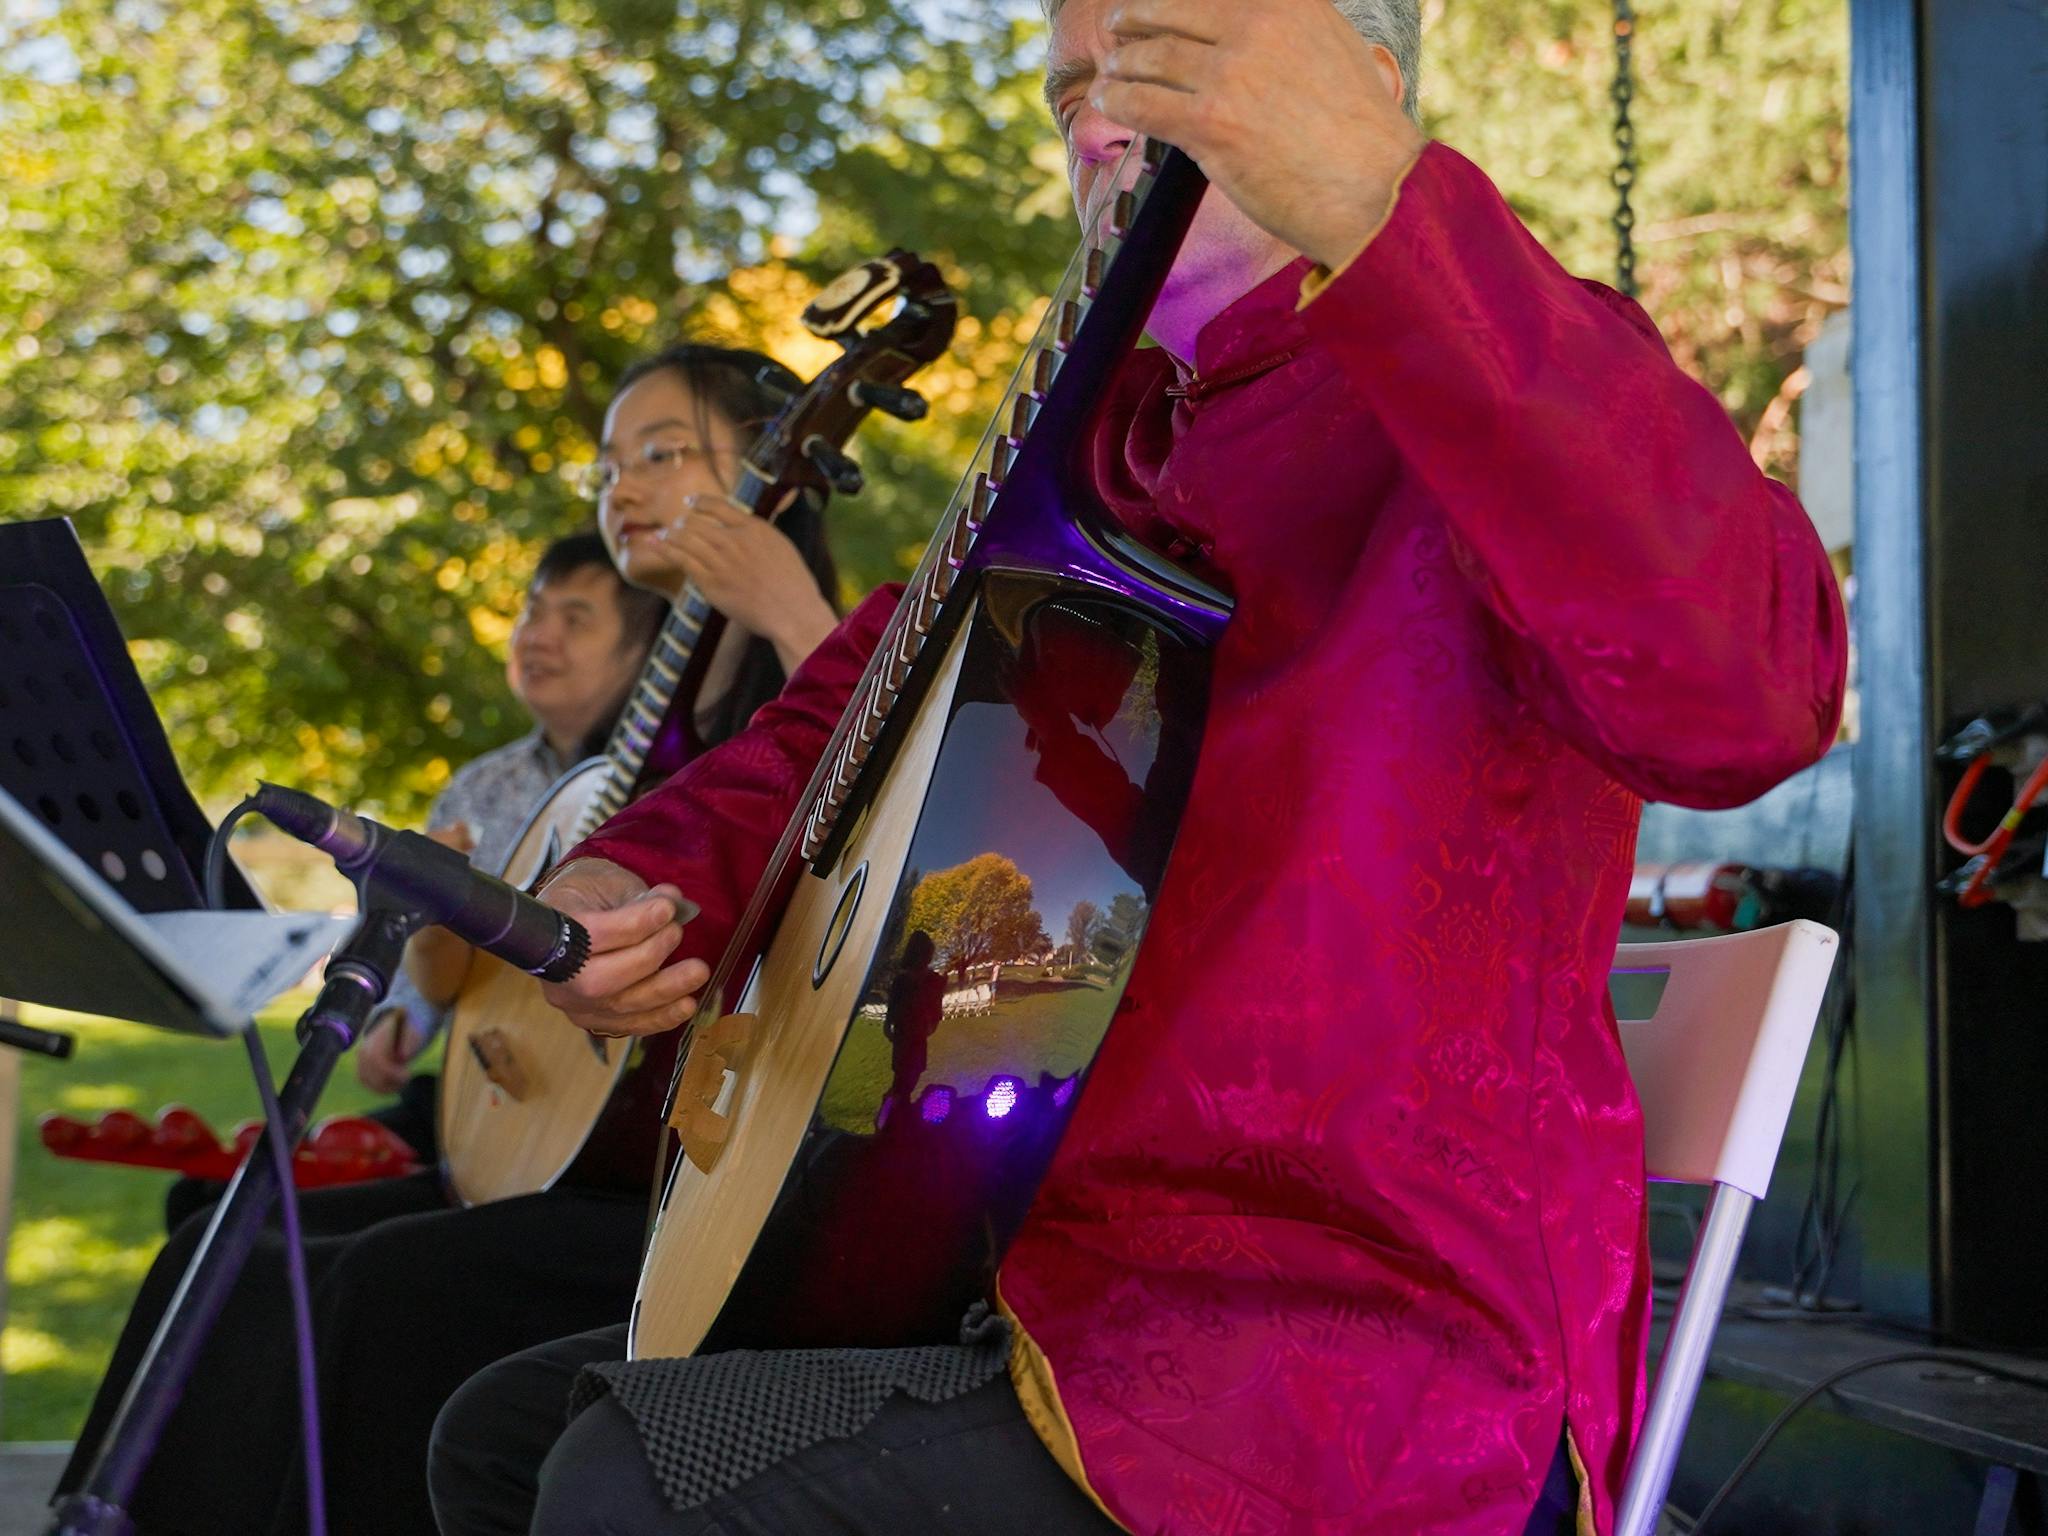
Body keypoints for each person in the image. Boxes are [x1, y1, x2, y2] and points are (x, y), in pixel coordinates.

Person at [427, 4, 1848, 1534]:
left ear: (1362, 90)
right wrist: (647, 873)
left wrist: (1385, 207)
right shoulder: (1089, 441)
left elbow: (1750, 698)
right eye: (1068, 99)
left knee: (623, 1484)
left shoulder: (1503, 364)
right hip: (1018, 1272)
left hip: (1332, 1358)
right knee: (497, 1432)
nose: (1103, 125)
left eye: (1169, 68)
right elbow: (827, 718)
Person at [53, 343, 843, 1536]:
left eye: (664, 455)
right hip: (556, 1131)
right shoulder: (654, 715)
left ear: (782, 465)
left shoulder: (816, 669)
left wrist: (795, 614)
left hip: (710, 1174)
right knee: (215, 1246)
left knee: (382, 1284)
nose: (620, 490)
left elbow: (858, 854)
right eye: (608, 467)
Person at [159, 531, 668, 1233]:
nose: (539, 635)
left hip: (586, 1121)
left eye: (574, 619)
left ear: (642, 652)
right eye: (532, 611)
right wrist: (404, 1018)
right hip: (474, 1089)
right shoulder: (479, 787)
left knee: (289, 1246)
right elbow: (441, 974)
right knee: (198, 1206)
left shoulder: (669, 788)